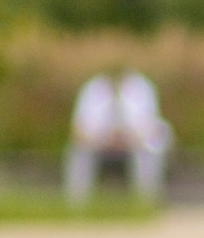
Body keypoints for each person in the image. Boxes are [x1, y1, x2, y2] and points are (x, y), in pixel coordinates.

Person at [65, 68, 171, 203]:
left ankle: (146, 200)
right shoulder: (92, 88)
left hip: (134, 141)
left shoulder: (142, 87)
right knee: (79, 152)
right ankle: (77, 202)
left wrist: (129, 138)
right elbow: (78, 129)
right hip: (98, 142)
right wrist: (99, 139)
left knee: (149, 149)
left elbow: (150, 126)